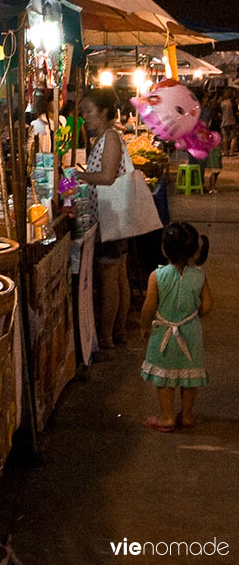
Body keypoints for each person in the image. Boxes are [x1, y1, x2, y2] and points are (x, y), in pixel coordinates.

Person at [140, 221, 212, 431]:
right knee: (190, 376)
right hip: (191, 331)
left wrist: (145, 326)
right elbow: (208, 305)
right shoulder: (199, 275)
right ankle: (187, 415)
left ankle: (166, 417)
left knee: (164, 378)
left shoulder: (157, 276)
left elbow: (148, 306)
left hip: (164, 331)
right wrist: (193, 316)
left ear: (164, 248)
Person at [76, 88, 134, 352]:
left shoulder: (110, 137)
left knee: (109, 276)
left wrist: (79, 176)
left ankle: (108, 337)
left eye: (88, 111)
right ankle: (119, 332)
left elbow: (108, 176)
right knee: (119, 274)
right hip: (115, 215)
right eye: (82, 111)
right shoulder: (104, 137)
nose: (84, 116)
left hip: (112, 215)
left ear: (103, 112)